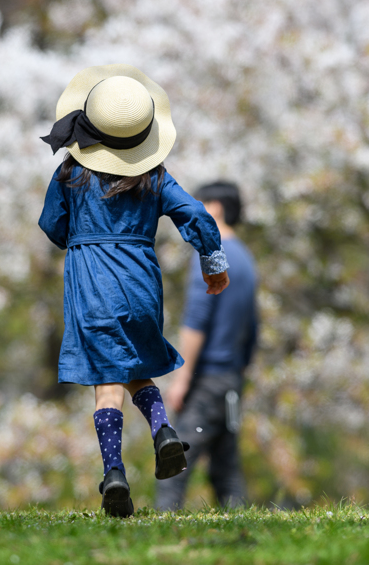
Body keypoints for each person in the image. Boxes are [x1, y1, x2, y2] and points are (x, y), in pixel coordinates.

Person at [38, 64, 230, 518]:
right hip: (141, 281)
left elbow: (51, 223)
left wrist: (81, 239)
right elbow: (196, 214)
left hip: (91, 281)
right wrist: (213, 263)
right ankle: (163, 430)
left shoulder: (70, 174)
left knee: (107, 380)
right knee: (136, 365)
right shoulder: (157, 176)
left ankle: (114, 473)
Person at [156, 181, 257, 511]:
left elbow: (196, 319)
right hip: (230, 380)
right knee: (226, 468)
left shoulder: (212, 253)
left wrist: (182, 380)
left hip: (206, 380)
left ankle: (157, 533)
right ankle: (242, 528)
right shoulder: (245, 258)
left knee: (175, 461)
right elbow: (253, 326)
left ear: (214, 208)